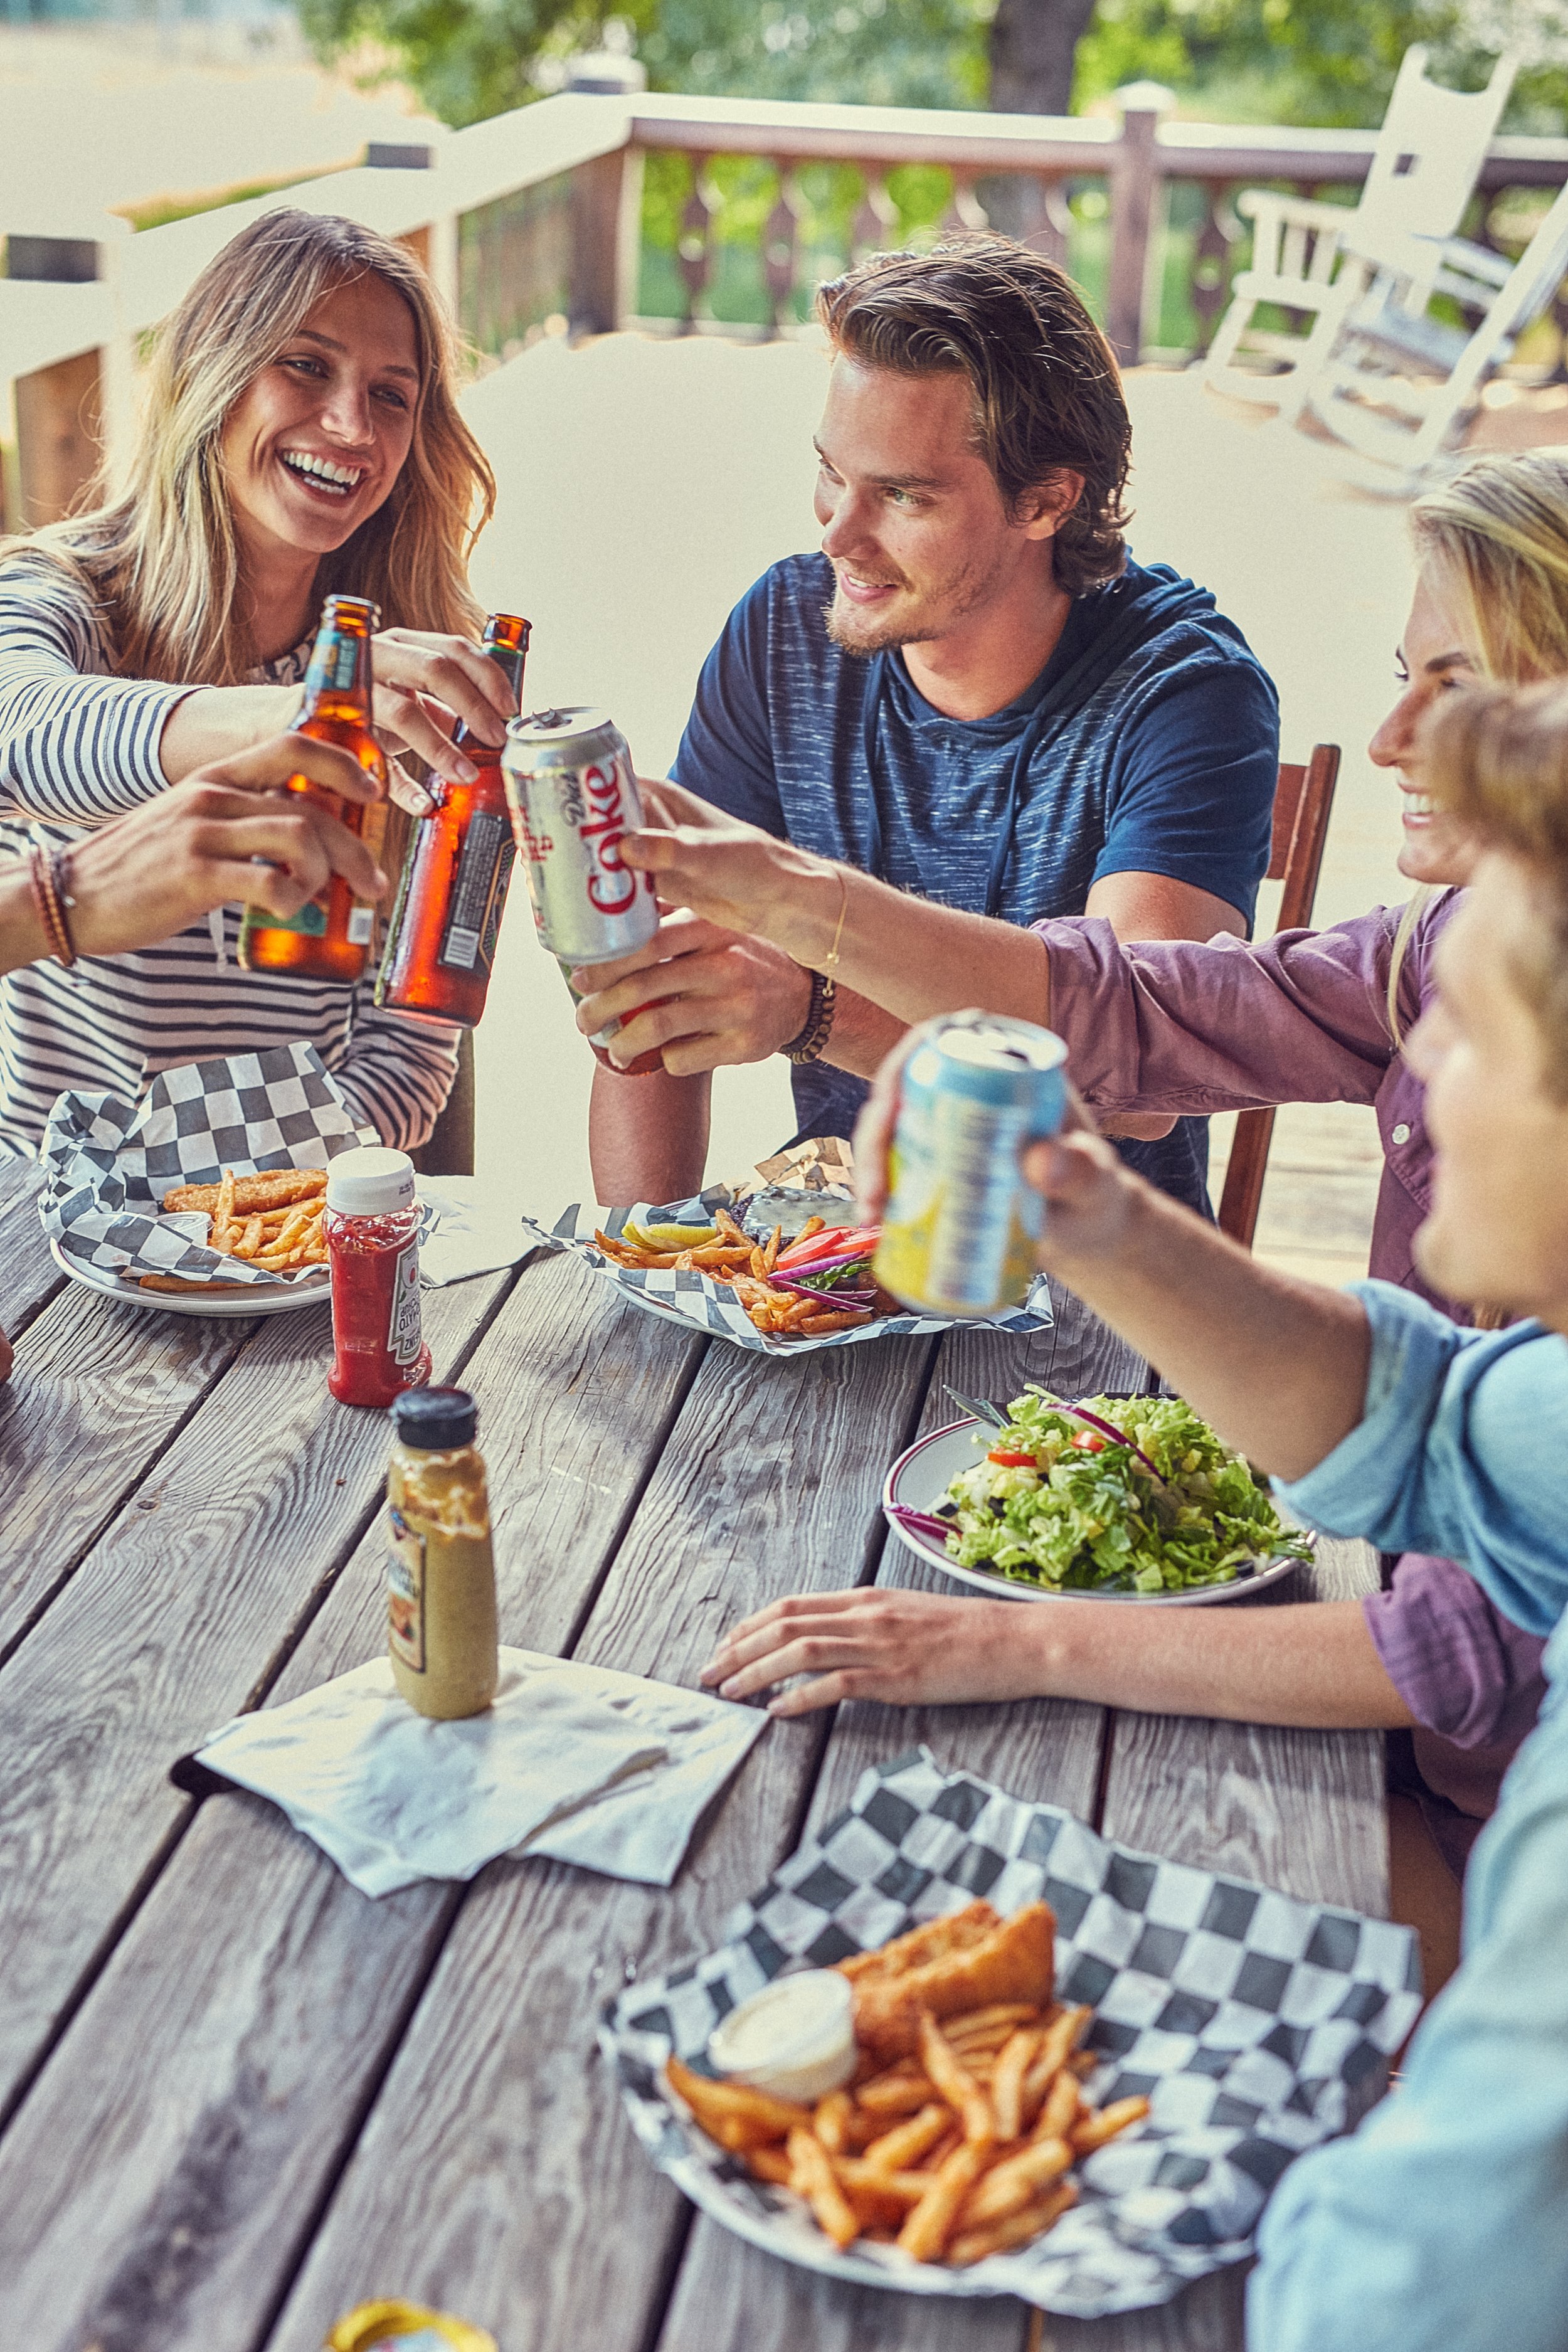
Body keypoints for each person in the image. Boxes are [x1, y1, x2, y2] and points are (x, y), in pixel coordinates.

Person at [650, 452, 1568, 1939]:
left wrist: (1011, 1640)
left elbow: (1460, 1649)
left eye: (1455, 691)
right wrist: (1078, 1198)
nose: (1393, 734)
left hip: (1484, 1830)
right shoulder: (1453, 940)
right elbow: (1405, 1410)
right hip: (1438, 1762)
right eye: (1402, 676)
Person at [578, 233, 1280, 1213]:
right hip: (830, 1259)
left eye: (902, 494)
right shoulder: (783, 630)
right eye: (832, 472)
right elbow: (661, 984)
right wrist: (639, 1249)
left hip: (1091, 1289)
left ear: (1045, 499)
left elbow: (1138, 1081)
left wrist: (812, 1008)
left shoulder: (1187, 688)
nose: (837, 533)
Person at [0, 206, 519, 1159]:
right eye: (306, 366)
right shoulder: (56, 593)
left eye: (392, 394)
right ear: (213, 372)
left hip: (281, 1231)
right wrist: (308, 712)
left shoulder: (429, 672)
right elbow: (23, 735)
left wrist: (235, 1198)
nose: (351, 425)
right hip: (40, 1224)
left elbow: (408, 1054)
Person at [0, 729, 390, 1387]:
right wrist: (304, 718)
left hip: (320, 1302)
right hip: (41, 1215)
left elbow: (411, 1035)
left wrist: (336, 1160)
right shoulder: (72, 632)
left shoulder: (411, 707)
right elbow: (18, 722)